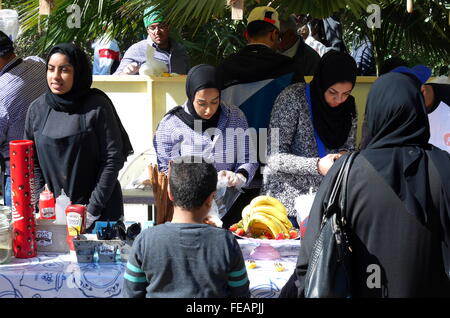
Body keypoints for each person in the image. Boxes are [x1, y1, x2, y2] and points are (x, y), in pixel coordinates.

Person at [283, 72, 450, 297]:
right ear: (418, 110)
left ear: (374, 113)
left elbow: (312, 254)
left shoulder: (347, 172)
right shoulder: (443, 166)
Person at [24, 43, 133, 230]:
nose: (55, 76)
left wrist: (91, 211)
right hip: (52, 215)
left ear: (78, 72)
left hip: (99, 214)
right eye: (51, 69)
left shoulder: (97, 106)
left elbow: (111, 160)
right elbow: (31, 161)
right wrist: (44, 201)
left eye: (64, 70)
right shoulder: (37, 109)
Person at [123, 157, 250, 298]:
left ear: (170, 193)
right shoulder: (226, 242)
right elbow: (241, 296)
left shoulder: (144, 241)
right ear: (211, 199)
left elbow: (130, 294)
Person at [153, 64, 258, 227]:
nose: (209, 110)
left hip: (230, 209)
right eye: (201, 103)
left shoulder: (235, 117)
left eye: (214, 102)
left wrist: (238, 177)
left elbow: (248, 158)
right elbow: (167, 171)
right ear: (190, 95)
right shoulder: (171, 124)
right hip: (188, 212)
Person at [263, 50, 358, 229]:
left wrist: (345, 157)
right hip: (288, 208)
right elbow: (273, 157)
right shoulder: (291, 97)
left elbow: (350, 148)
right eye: (333, 92)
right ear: (322, 82)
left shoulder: (349, 108)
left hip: (328, 206)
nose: (338, 100)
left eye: (346, 93)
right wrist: (316, 166)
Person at [0, 31, 47, 206]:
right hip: (50, 169)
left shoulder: (2, 93)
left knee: (20, 230)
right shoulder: (39, 64)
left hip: (19, 178)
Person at [114, 6, 189, 75]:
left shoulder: (180, 50)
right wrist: (125, 73)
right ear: (147, 30)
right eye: (152, 28)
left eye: (161, 26)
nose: (157, 32)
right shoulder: (137, 50)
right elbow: (115, 80)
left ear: (169, 26)